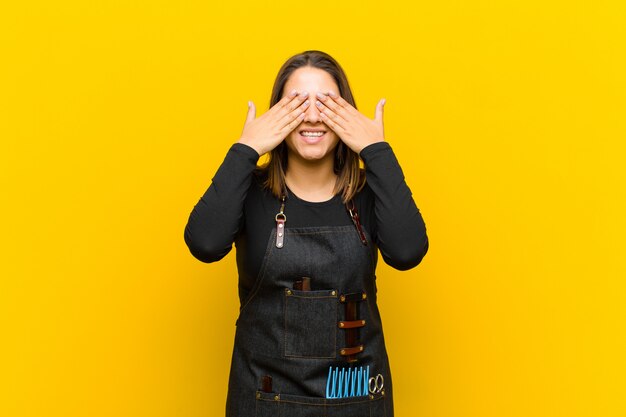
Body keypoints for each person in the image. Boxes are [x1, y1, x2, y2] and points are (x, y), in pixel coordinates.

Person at [184, 50, 429, 417]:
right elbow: (204, 243)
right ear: (276, 115)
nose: (312, 116)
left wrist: (376, 151)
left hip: (356, 398)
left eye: (327, 104)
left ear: (346, 114)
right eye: (297, 104)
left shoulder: (367, 193)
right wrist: (245, 149)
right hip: (264, 402)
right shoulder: (249, 192)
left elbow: (408, 251)